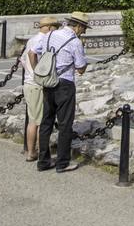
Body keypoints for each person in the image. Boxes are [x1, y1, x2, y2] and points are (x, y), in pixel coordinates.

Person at [36, 12, 89, 173]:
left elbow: (39, 52)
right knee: (65, 123)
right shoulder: (75, 42)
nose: (84, 32)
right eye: (84, 28)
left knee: (46, 121)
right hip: (64, 83)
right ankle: (62, 162)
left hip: (48, 80)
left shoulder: (50, 34)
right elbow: (80, 68)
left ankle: (43, 161)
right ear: (78, 26)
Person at [21, 16, 62, 163]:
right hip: (36, 84)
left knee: (33, 119)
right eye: (56, 27)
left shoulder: (32, 39)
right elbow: (32, 55)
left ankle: (31, 150)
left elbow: (22, 60)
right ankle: (37, 153)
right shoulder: (42, 40)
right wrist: (38, 73)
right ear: (50, 27)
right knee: (38, 121)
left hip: (29, 83)